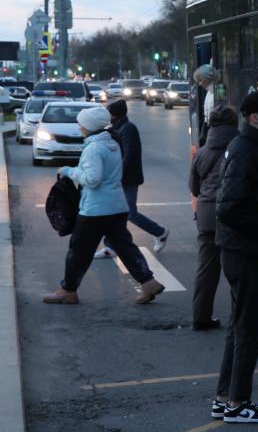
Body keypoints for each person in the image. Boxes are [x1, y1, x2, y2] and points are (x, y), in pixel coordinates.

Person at [42, 106, 166, 306]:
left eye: (81, 123)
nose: (79, 126)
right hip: (116, 206)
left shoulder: (94, 148)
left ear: (89, 126)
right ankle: (148, 282)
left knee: (79, 250)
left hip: (95, 210)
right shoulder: (112, 144)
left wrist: (68, 171)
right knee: (124, 247)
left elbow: (92, 180)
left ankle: (68, 290)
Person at [212, 90, 258, 424]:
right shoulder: (245, 151)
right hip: (245, 251)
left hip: (240, 249)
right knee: (250, 327)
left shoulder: (250, 147)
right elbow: (228, 207)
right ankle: (238, 402)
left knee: (239, 325)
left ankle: (225, 397)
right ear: (255, 117)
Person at [96, 99, 168, 260]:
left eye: (110, 114)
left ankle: (160, 232)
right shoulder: (116, 128)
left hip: (127, 179)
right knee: (112, 212)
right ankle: (109, 246)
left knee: (129, 213)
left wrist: (117, 172)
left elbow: (130, 155)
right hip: (120, 178)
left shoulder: (128, 129)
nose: (108, 117)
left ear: (116, 115)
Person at [187, 106, 238, 331]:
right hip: (233, 214)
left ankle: (201, 316)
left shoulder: (202, 152)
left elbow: (194, 187)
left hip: (207, 215)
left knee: (206, 269)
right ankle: (240, 317)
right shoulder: (240, 147)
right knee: (238, 269)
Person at [194, 64, 217, 147]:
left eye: (200, 80)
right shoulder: (209, 92)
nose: (199, 84)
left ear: (206, 78)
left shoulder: (214, 93)